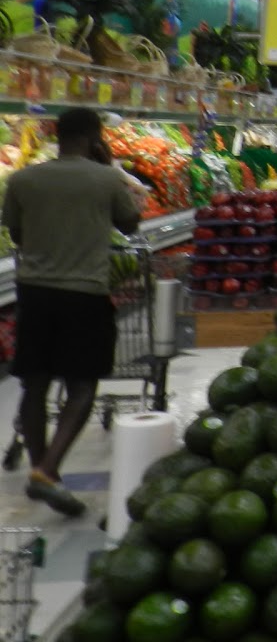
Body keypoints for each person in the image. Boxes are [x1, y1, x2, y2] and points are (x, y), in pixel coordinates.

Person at [1, 108, 144, 516]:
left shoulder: (24, 179)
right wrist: (107, 164)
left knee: (34, 384)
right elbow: (131, 224)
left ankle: (45, 472)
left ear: (58, 135)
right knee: (82, 386)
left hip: (34, 292)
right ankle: (47, 471)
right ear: (94, 137)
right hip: (85, 293)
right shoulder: (105, 178)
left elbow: (18, 233)